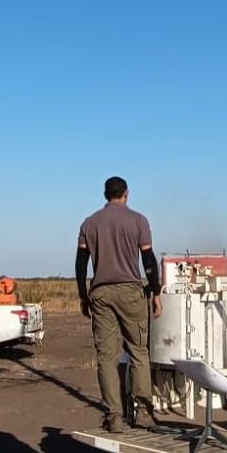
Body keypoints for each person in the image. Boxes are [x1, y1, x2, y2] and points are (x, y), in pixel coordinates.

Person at [75, 175, 162, 432]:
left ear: (105, 195)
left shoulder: (89, 223)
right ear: (126, 194)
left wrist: (83, 295)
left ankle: (114, 415)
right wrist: (155, 291)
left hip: (100, 294)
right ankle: (143, 411)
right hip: (130, 292)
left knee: (106, 356)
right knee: (138, 351)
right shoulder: (138, 220)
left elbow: (81, 264)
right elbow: (148, 260)